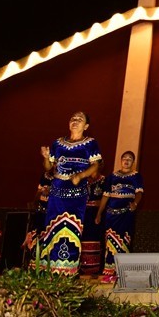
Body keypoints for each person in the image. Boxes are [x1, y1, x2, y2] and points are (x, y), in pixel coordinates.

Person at [38, 111, 102, 276]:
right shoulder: (58, 143)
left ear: (86, 126)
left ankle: (68, 269)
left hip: (77, 191)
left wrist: (80, 175)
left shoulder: (90, 143)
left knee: (71, 226)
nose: (75, 121)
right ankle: (49, 268)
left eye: (80, 119)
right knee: (52, 225)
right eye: (73, 118)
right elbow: (48, 167)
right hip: (57, 190)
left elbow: (95, 165)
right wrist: (45, 157)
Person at [95, 150, 144, 284]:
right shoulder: (111, 177)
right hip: (111, 214)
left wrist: (135, 203)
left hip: (126, 213)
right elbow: (105, 196)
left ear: (133, 162)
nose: (126, 161)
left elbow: (139, 193)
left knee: (124, 241)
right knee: (110, 242)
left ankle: (122, 273)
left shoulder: (136, 176)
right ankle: (109, 272)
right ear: (121, 160)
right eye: (124, 158)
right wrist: (99, 213)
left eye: (130, 159)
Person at [22, 168, 53, 266]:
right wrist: (40, 193)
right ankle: (34, 263)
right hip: (41, 213)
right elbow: (37, 195)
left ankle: (47, 263)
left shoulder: (61, 177)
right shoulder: (45, 176)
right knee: (38, 234)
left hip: (53, 213)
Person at [80, 164, 106, 277]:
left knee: (96, 239)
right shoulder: (83, 180)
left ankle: (95, 268)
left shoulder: (104, 180)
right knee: (82, 239)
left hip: (96, 214)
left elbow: (107, 197)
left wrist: (100, 206)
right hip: (83, 214)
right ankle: (82, 267)